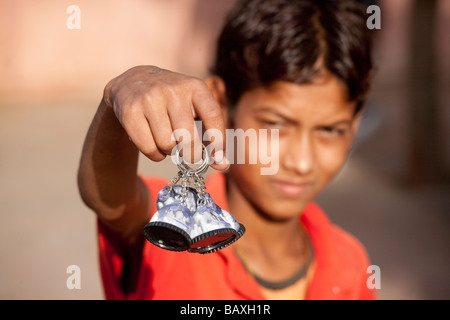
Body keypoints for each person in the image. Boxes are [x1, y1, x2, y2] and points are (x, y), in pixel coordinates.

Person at [78, 0, 375, 300]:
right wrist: (119, 94)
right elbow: (111, 201)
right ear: (219, 102)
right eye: (275, 125)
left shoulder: (350, 264)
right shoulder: (173, 224)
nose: (301, 162)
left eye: (330, 130)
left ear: (355, 123)